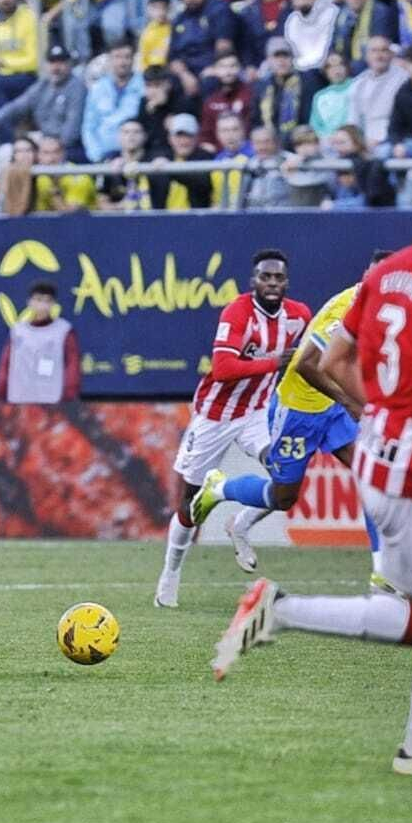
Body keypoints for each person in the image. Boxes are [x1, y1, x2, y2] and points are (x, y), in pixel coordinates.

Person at [211, 160, 412, 779]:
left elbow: (328, 359)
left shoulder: (385, 274)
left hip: (397, 456)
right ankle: (279, 610)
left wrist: (378, 409)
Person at [190, 248, 393, 575]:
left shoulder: (384, 307)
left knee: (373, 476)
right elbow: (305, 365)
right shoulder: (345, 309)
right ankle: (220, 489)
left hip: (332, 408)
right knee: (284, 498)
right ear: (366, 276)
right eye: (376, 277)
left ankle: (383, 574)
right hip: (298, 410)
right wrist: (351, 402)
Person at [154, 249, 311, 608]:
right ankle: (170, 575)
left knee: (287, 476)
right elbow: (223, 368)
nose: (272, 283)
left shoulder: (299, 316)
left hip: (258, 413)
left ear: (287, 282)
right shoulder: (238, 312)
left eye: (278, 277)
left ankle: (241, 525)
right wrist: (274, 363)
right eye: (265, 277)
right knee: (191, 502)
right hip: (215, 415)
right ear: (253, 280)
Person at [0, 280, 81, 403]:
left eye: (47, 301)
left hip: (51, 401)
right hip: (19, 400)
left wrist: (69, 395)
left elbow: (72, 365)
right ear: (30, 302)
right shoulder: (18, 331)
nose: (42, 305)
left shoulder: (64, 331)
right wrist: (1, 392)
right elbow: (6, 364)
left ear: (53, 304)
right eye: (38, 300)